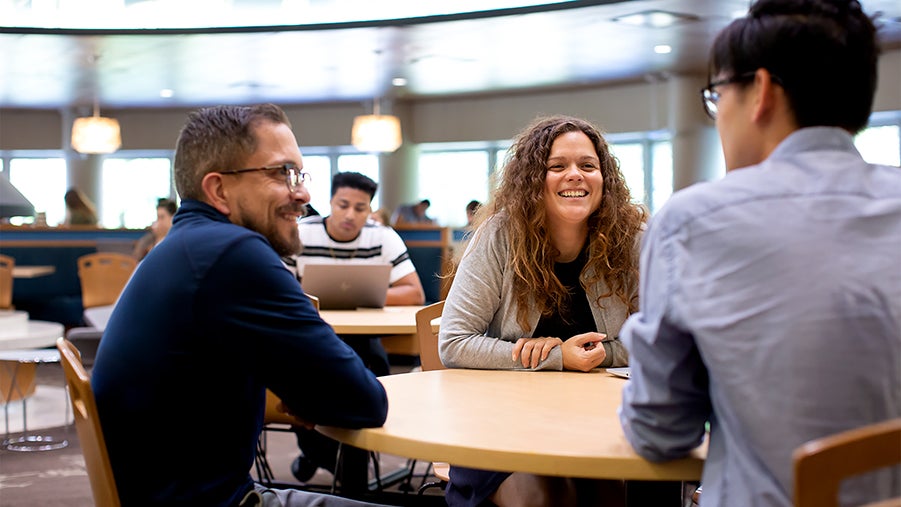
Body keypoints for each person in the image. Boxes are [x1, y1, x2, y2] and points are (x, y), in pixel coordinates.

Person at [619, 1, 901, 506]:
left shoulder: (693, 222)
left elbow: (659, 430)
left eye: (717, 95)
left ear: (762, 92)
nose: (718, 115)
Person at [91, 104, 389, 507]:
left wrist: (311, 390)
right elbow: (363, 401)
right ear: (218, 190)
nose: (303, 193)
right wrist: (313, 391)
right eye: (282, 173)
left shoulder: (185, 248)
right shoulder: (233, 252)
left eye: (300, 174)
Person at [438, 115, 647, 507]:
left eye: (587, 166)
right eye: (557, 166)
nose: (575, 175)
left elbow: (663, 340)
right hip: (505, 426)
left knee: (621, 493)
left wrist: (594, 356)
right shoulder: (500, 236)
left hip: (604, 424)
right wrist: (555, 357)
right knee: (542, 496)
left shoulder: (632, 239)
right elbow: (454, 343)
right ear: (534, 179)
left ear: (605, 178)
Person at [283, 171, 425, 486]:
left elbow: (414, 293)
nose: (350, 215)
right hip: (312, 337)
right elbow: (280, 288)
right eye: (343, 205)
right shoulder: (300, 233)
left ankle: (345, 472)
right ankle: (328, 461)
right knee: (304, 384)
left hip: (364, 340)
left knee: (370, 375)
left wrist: (364, 295)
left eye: (360, 208)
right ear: (331, 202)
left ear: (370, 208)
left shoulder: (382, 236)